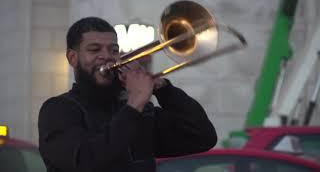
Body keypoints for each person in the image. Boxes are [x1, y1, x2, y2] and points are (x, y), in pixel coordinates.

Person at [38, 16, 217, 172]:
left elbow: (202, 136)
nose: (107, 56)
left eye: (113, 50)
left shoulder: (141, 112)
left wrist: (162, 88)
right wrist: (134, 105)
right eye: (94, 50)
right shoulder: (58, 110)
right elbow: (85, 162)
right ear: (73, 58)